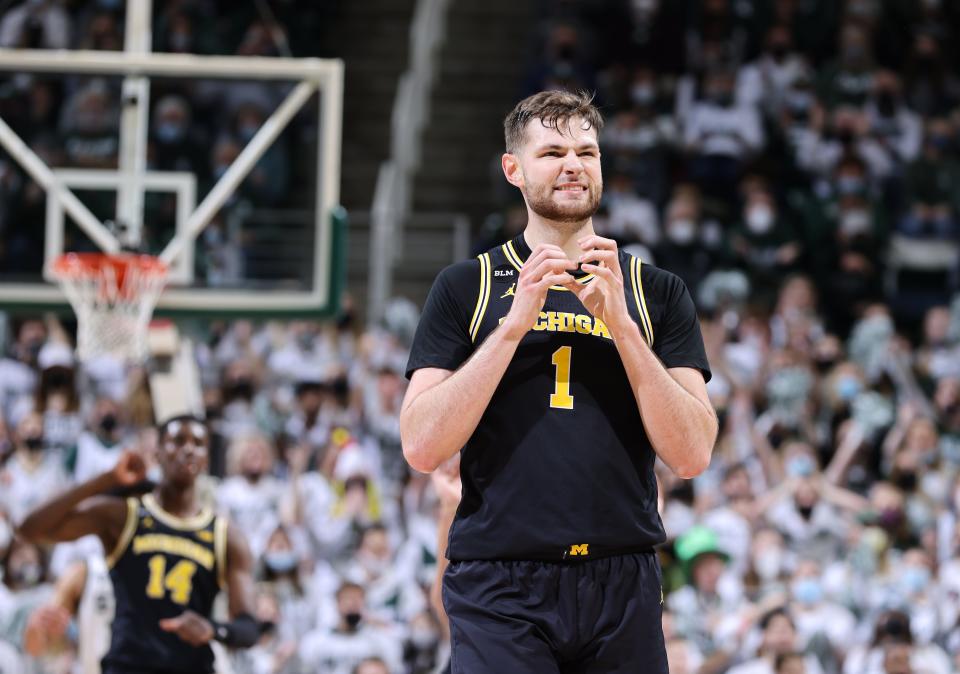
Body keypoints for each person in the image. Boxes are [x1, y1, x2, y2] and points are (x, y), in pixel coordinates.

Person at [401, 90, 716, 672]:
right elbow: (421, 445)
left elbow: (693, 453)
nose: (573, 164)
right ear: (513, 169)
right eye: (552, 152)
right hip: (499, 577)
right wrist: (514, 326)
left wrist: (621, 326)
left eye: (586, 151)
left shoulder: (656, 291)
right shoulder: (465, 286)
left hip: (622, 576)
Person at [17, 414, 262, 674]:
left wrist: (213, 629)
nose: (188, 449)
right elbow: (30, 529)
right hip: (128, 665)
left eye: (198, 443)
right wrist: (107, 479)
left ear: (206, 459)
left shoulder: (225, 535)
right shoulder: (124, 516)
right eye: (178, 441)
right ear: (157, 453)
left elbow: (249, 628)